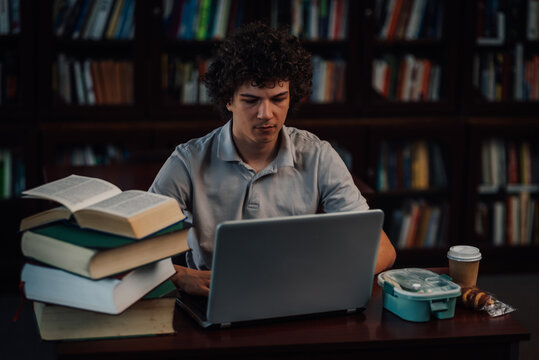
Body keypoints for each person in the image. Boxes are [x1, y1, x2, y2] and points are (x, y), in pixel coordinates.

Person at [149, 22, 396, 296]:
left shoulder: (318, 155)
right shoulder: (187, 161)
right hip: (216, 296)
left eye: (278, 99)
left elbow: (382, 249)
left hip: (297, 295)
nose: (266, 113)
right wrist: (179, 276)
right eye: (251, 100)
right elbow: (134, 249)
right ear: (228, 100)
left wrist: (320, 276)